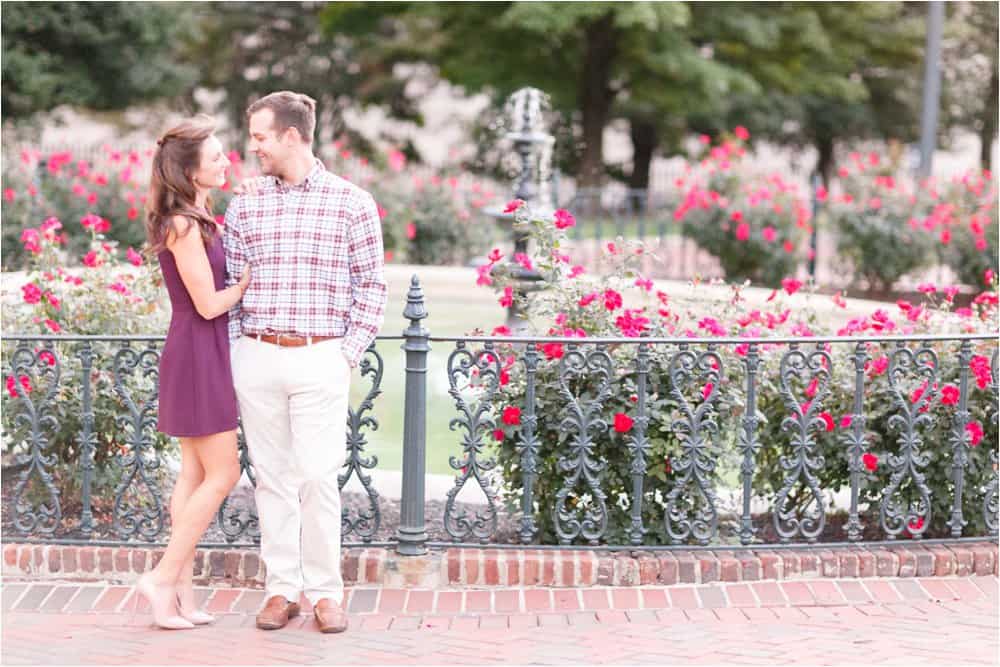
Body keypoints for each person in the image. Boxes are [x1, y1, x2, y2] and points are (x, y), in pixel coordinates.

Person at [224, 91, 387, 634]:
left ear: (293, 135)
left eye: (262, 138)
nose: (255, 149)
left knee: (317, 477)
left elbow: (372, 287)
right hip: (257, 353)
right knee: (270, 478)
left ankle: (325, 592)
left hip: (321, 355)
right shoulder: (245, 203)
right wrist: (236, 351)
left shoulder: (352, 202)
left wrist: (344, 355)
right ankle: (280, 589)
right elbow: (230, 285)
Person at [137, 116, 250, 630]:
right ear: (190, 170)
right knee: (224, 473)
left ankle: (178, 594)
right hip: (198, 351)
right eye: (216, 157)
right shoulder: (184, 224)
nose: (226, 161)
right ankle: (162, 579)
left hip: (200, 352)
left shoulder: (198, 216)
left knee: (195, 473)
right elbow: (207, 304)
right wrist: (250, 281)